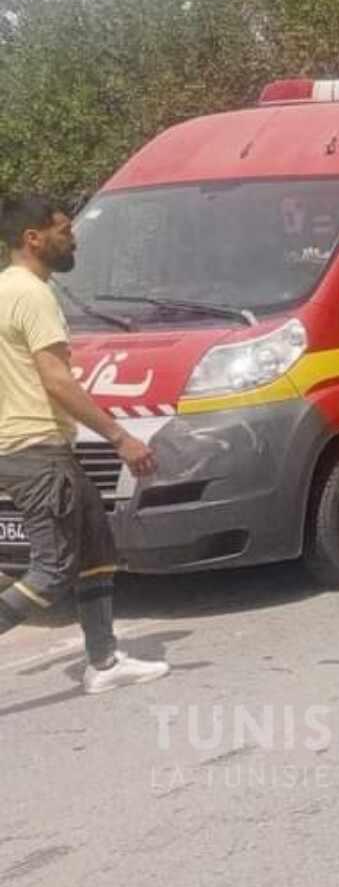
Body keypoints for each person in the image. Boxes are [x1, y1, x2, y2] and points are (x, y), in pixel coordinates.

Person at [0, 195, 167, 694]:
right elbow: (56, 379)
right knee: (52, 569)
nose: (73, 238)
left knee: (96, 547)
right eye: (63, 230)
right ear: (34, 239)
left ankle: (104, 663)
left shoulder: (4, 289)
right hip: (36, 450)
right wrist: (120, 436)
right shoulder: (31, 294)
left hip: (33, 447)